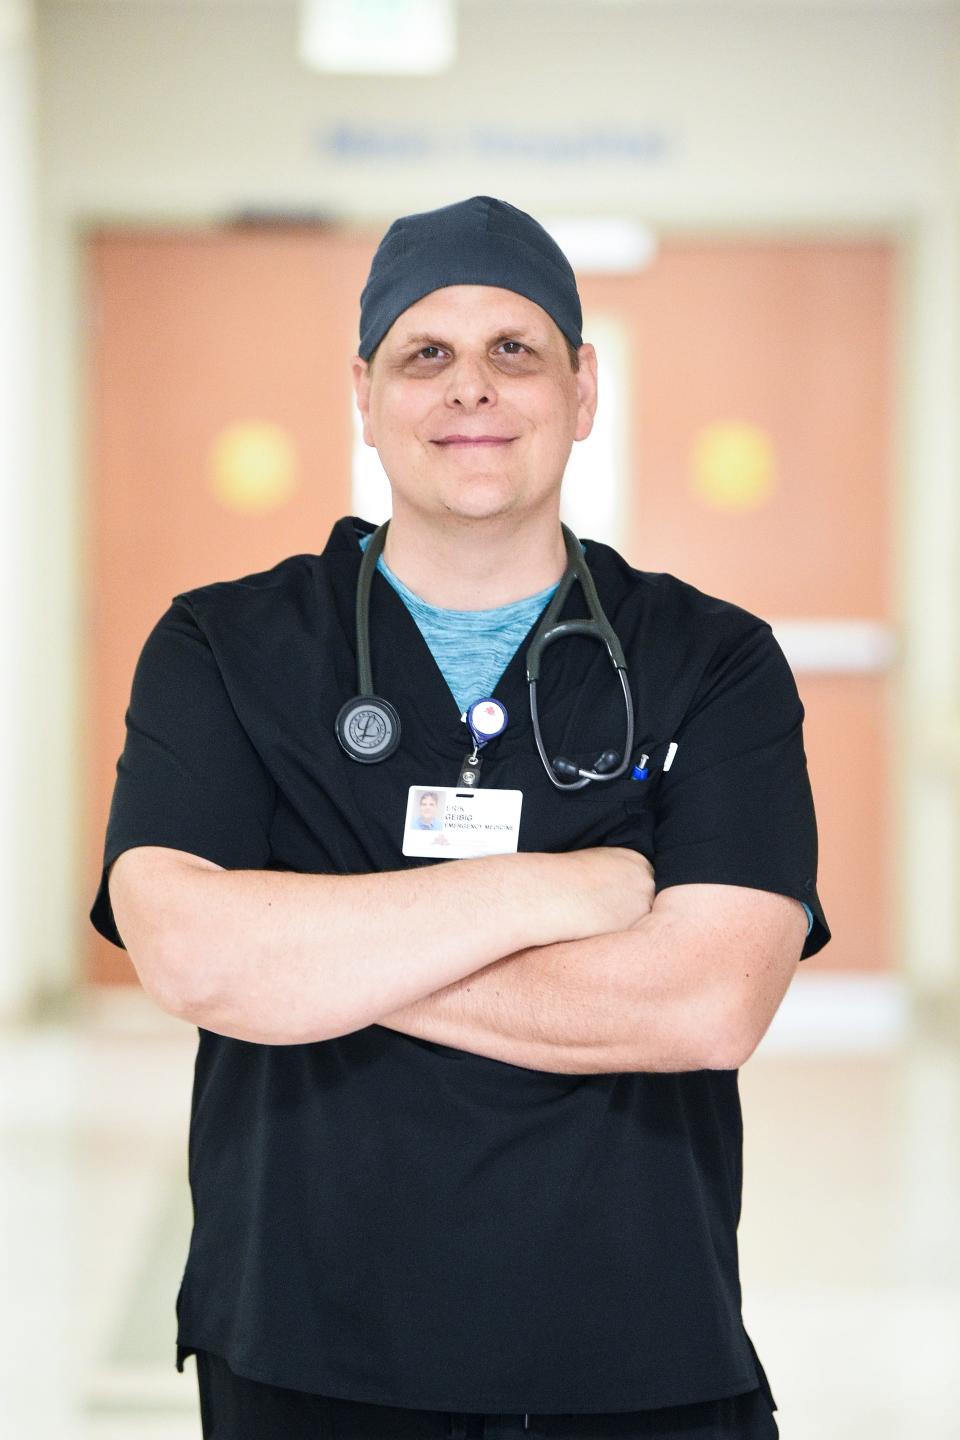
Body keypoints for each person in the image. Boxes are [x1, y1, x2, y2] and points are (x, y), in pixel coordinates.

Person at [90, 195, 831, 1440]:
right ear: (366, 393)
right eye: (426, 353)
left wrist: (310, 958)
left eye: (515, 351)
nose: (470, 389)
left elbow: (707, 1004)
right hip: (308, 1344)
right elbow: (189, 954)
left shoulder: (715, 661)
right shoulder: (223, 645)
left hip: (630, 1344)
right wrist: (562, 892)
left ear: (582, 390)